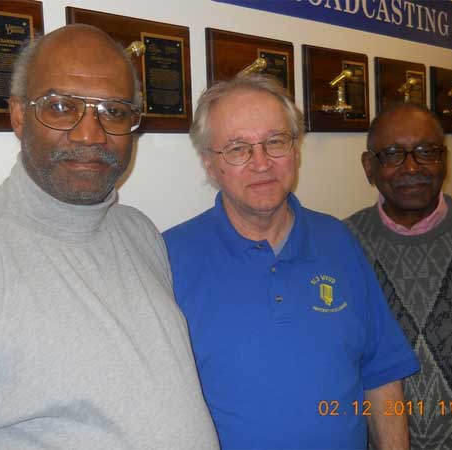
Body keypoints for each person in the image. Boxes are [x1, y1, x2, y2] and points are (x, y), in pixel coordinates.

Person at [0, 24, 218, 450]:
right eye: (60, 107)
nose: (90, 135)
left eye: (113, 111)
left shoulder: (138, 231)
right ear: (19, 116)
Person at [163, 74, 419, 449]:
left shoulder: (339, 240)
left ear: (295, 151)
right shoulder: (170, 258)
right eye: (237, 148)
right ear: (209, 164)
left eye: (275, 142)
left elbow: (381, 373)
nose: (262, 163)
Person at [345, 103, 452, 450]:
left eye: (426, 151)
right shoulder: (341, 245)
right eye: (392, 154)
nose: (412, 167)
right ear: (369, 167)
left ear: (444, 161)